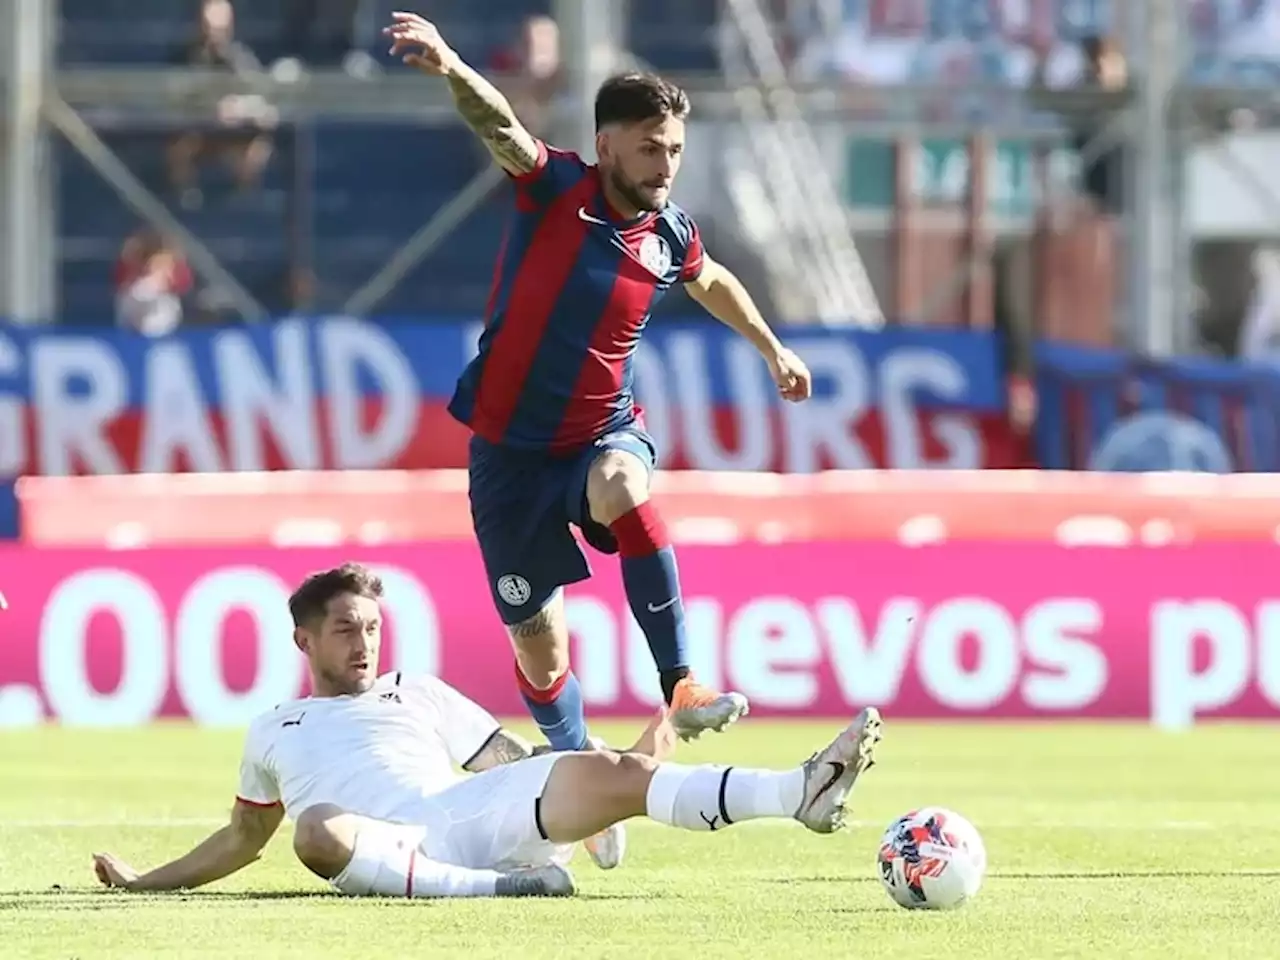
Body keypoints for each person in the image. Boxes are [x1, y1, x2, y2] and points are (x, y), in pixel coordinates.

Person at [381, 12, 816, 757]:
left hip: (599, 434)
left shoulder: (670, 232)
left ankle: (681, 684)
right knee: (540, 653)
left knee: (623, 482)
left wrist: (772, 349)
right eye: (650, 148)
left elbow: (708, 278)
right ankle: (575, 758)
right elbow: (501, 126)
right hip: (509, 459)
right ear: (607, 143)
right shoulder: (556, 189)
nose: (665, 165)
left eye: (674, 149)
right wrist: (453, 66)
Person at [92, 564, 883, 900]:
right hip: (384, 845)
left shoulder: (417, 690)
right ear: (304, 641)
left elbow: (512, 763)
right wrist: (141, 883)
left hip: (469, 815)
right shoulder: (274, 727)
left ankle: (798, 789)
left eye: (371, 626)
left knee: (604, 772)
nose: (363, 642)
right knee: (317, 830)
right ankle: (514, 887)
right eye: (344, 629)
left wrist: (609, 778)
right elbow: (240, 839)